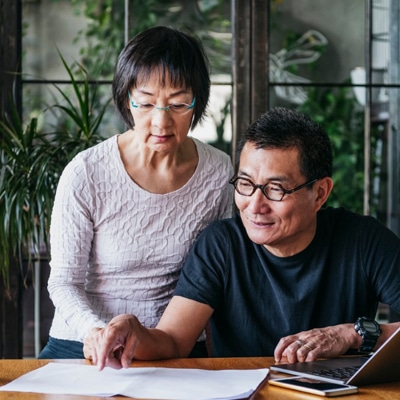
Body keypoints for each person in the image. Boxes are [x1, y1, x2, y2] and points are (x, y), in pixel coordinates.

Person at [84, 107, 400, 370]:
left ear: (320, 193)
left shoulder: (364, 240)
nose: (255, 205)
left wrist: (354, 334)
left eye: (276, 189)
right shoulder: (221, 246)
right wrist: (132, 331)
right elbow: (173, 341)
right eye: (245, 184)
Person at [38, 26, 234, 359]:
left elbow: (216, 272)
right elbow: (63, 282)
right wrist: (96, 333)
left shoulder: (218, 171)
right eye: (145, 104)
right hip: (83, 343)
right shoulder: (86, 172)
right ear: (126, 100)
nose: (161, 122)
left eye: (178, 104)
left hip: (170, 347)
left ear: (198, 100)